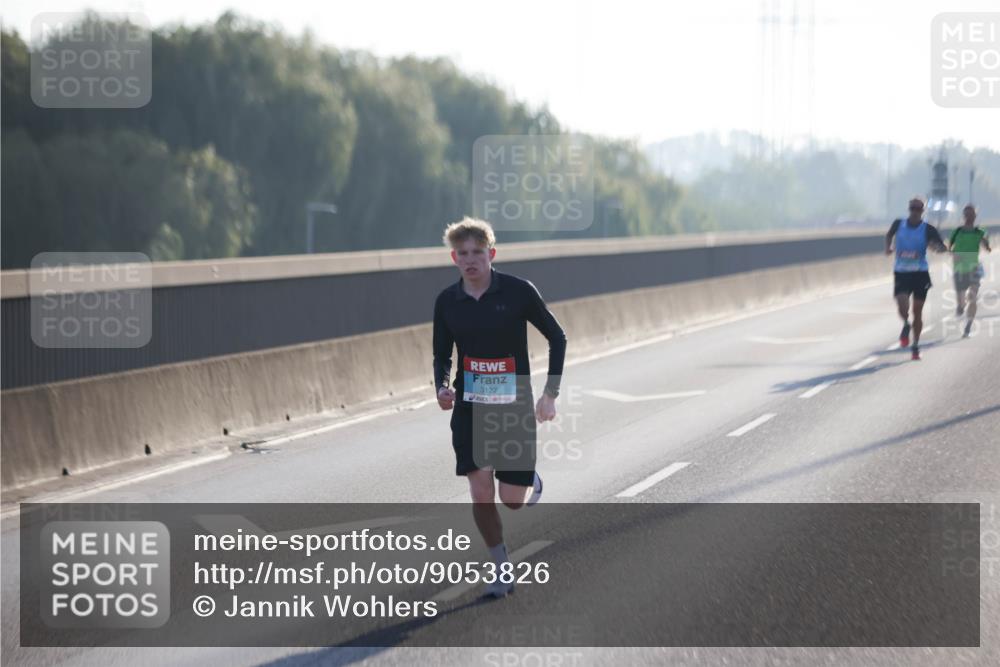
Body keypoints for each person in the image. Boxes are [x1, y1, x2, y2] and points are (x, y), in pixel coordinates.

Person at [432, 217, 566, 598]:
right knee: (479, 492)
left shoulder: (518, 292)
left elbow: (557, 337)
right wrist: (442, 387)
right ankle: (501, 568)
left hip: (514, 406)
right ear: (454, 258)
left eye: (477, 253)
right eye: (463, 254)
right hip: (470, 408)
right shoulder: (447, 302)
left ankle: (527, 479)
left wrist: (550, 394)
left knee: (512, 501)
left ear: (491, 254)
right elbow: (441, 354)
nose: (470, 260)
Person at [885, 197, 947, 360]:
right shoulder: (899, 224)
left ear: (922, 211)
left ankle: (915, 345)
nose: (914, 211)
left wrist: (936, 247)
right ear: (909, 209)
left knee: (917, 310)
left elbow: (941, 247)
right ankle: (906, 324)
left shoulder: (928, 229)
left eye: (918, 209)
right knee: (902, 305)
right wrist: (888, 247)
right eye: (912, 208)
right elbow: (889, 235)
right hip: (901, 272)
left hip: (920, 273)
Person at [948, 204, 992, 338]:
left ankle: (968, 326)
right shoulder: (957, 231)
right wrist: (954, 254)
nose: (969, 217)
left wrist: (985, 242)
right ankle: (960, 306)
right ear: (963, 216)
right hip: (959, 270)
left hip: (974, 269)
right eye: (967, 214)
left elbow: (988, 249)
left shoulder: (980, 231)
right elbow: (949, 248)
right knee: (961, 303)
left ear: (975, 216)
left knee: (973, 297)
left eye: (972, 214)